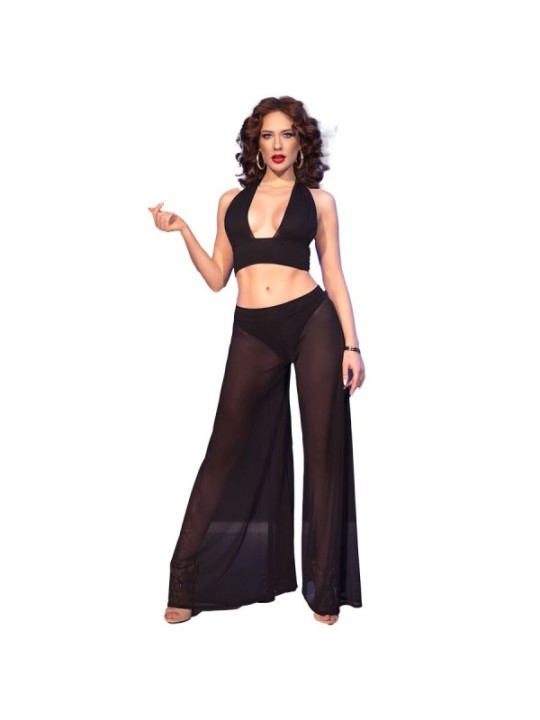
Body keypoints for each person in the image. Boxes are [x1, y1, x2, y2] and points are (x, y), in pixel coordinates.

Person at [148, 95, 365, 626]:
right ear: (256, 143)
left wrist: (352, 345)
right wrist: (182, 231)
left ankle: (325, 591)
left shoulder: (320, 201)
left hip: (313, 323)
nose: (277, 144)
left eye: (287, 134)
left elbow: (333, 274)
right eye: (268, 135)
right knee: (223, 451)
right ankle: (185, 582)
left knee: (322, 452)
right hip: (253, 330)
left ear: (301, 142)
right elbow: (217, 277)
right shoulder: (231, 201)